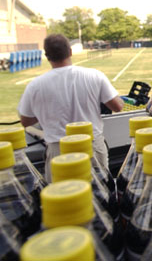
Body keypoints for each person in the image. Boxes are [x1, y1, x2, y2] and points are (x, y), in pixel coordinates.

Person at [18, 34, 124, 182]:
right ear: (70, 51)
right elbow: (118, 106)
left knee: (63, 199)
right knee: (102, 194)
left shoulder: (35, 85)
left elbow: (25, 121)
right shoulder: (94, 75)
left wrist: (46, 113)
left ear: (47, 56)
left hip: (58, 150)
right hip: (91, 146)